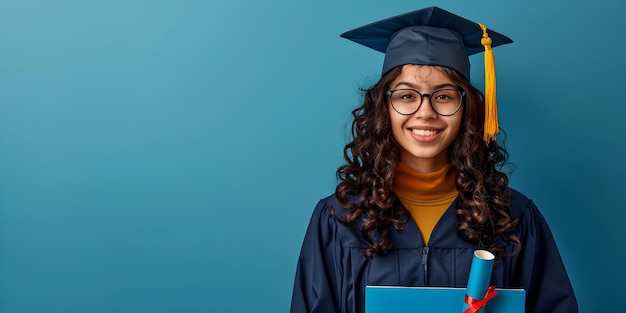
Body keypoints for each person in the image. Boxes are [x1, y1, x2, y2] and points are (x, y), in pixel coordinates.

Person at [290, 6, 577, 313]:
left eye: (443, 96)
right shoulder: (339, 219)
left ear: (466, 108)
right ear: (383, 107)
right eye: (406, 96)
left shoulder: (513, 218)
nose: (425, 112)